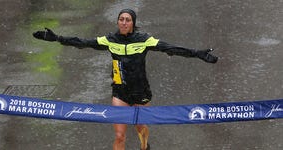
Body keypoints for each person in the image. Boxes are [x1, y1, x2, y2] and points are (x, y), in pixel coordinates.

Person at [33, 8, 218, 150]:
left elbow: (170, 48)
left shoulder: (144, 40)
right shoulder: (110, 39)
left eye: (127, 20)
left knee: (140, 128)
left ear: (133, 23)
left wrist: (197, 53)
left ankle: (145, 146)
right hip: (120, 93)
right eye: (120, 20)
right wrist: (57, 38)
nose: (123, 23)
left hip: (141, 92)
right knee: (120, 136)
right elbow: (83, 42)